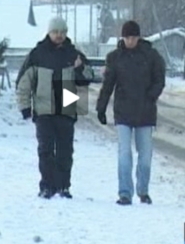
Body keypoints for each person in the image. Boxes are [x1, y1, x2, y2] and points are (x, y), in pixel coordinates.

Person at [16, 16, 94, 199]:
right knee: (45, 150)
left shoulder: (75, 55)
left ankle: (63, 186)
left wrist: (79, 68)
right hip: (43, 110)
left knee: (65, 151)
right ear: (49, 32)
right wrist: (25, 106)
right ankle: (47, 186)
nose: (59, 35)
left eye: (62, 32)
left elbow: (87, 78)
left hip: (66, 107)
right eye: (55, 32)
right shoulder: (37, 54)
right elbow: (24, 82)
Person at [95, 20, 166, 205]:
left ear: (138, 37)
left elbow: (160, 79)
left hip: (145, 112)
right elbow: (108, 85)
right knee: (124, 153)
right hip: (123, 112)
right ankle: (124, 193)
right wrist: (101, 107)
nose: (130, 41)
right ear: (123, 38)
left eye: (133, 37)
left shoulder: (151, 56)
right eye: (127, 37)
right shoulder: (115, 58)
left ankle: (143, 191)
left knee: (145, 156)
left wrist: (151, 96)